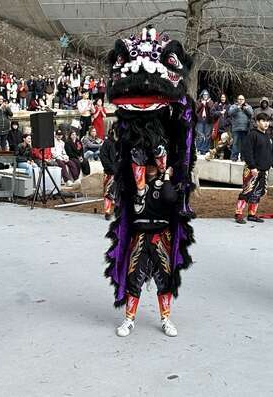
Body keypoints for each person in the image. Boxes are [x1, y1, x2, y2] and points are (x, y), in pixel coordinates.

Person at [113, 162, 180, 338]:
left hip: (161, 237)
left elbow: (170, 198)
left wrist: (165, 176)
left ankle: (166, 319)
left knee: (164, 279)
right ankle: (129, 319)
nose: (150, 166)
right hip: (140, 237)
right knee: (133, 277)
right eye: (147, 162)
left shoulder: (166, 182)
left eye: (154, 162)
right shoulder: (133, 182)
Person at [235, 113, 273, 224]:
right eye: (263, 121)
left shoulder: (269, 137)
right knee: (247, 191)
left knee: (259, 192)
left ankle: (252, 215)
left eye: (267, 121)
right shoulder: (252, 135)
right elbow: (247, 152)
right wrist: (252, 167)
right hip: (252, 169)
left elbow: (272, 153)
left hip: (264, 170)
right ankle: (238, 214)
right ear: (257, 122)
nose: (266, 123)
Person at [227, 95, 253, 161]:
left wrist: (245, 108)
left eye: (242, 99)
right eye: (239, 99)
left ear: (244, 100)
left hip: (245, 128)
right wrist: (237, 108)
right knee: (235, 143)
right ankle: (234, 157)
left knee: (244, 144)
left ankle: (243, 157)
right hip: (236, 128)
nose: (241, 100)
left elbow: (252, 114)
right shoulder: (233, 106)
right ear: (237, 100)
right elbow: (229, 113)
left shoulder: (248, 106)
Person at [99, 127, 117, 219]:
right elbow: (103, 156)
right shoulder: (107, 143)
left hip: (121, 172)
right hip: (109, 172)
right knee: (108, 193)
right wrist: (111, 168)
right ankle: (107, 212)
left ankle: (118, 211)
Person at [195, 90, 214, 154]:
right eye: (204, 95)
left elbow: (211, 109)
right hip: (200, 120)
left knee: (207, 135)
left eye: (206, 95)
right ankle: (199, 148)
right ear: (202, 95)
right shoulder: (198, 101)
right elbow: (196, 110)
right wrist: (202, 104)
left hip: (208, 121)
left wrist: (207, 103)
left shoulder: (210, 102)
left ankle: (205, 149)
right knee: (200, 135)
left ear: (208, 96)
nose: (205, 96)